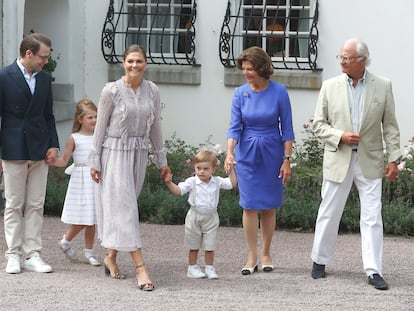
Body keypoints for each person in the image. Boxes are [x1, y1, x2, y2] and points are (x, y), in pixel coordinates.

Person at [310, 38, 401, 290]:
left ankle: (373, 271)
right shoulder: (329, 86)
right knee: (329, 211)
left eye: (347, 58)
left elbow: (390, 126)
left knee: (372, 217)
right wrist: (340, 135)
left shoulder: (383, 86)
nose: (341, 61)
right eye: (340, 57)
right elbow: (318, 124)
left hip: (369, 159)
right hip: (338, 156)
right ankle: (319, 260)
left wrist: (393, 158)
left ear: (362, 60)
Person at [88, 44, 170, 291]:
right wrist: (94, 160)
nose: (134, 65)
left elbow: (156, 127)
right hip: (113, 155)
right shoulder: (110, 91)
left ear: (145, 64)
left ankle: (110, 257)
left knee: (125, 208)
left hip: (138, 154)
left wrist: (162, 161)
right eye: (130, 61)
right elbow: (99, 127)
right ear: (123, 63)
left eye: (139, 61)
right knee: (125, 211)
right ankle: (141, 268)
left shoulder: (152, 91)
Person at [224, 46, 295, 275]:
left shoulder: (280, 92)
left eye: (250, 68)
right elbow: (234, 127)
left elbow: (288, 130)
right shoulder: (240, 93)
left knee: (269, 206)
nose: (246, 73)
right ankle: (251, 256)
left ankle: (266, 253)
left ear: (262, 68)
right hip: (247, 154)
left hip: (273, 153)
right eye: (244, 69)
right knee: (249, 204)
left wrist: (287, 160)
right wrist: (229, 153)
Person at [0, 33, 59, 274]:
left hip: (40, 148)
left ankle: (33, 253)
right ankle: (13, 254)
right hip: (13, 147)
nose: (46, 61)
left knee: (36, 203)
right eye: (43, 57)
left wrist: (53, 144)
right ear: (28, 54)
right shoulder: (4, 76)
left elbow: (49, 115)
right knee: (14, 204)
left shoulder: (45, 79)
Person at [164, 149, 237, 279]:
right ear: (194, 167)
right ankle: (192, 268)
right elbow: (179, 191)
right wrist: (169, 183)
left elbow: (232, 183)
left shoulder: (217, 181)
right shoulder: (192, 182)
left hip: (211, 217)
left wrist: (231, 170)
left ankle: (209, 268)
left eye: (205, 169)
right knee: (193, 244)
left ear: (213, 169)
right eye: (198, 168)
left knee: (210, 244)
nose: (201, 171)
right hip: (194, 216)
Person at [54, 99, 100, 266]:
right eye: (90, 117)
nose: (94, 120)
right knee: (83, 219)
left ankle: (89, 252)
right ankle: (65, 241)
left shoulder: (98, 137)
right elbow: (64, 160)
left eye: (96, 116)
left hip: (95, 179)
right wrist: (52, 160)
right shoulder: (74, 138)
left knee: (93, 218)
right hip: (80, 180)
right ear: (80, 119)